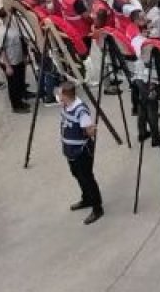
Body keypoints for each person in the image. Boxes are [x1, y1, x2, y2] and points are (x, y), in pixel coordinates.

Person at [58, 80, 103, 224]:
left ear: (66, 95)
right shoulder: (66, 106)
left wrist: (91, 130)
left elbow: (88, 131)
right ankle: (86, 199)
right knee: (77, 175)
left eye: (60, 94)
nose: (58, 96)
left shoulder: (81, 110)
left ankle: (97, 208)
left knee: (87, 178)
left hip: (81, 152)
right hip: (70, 151)